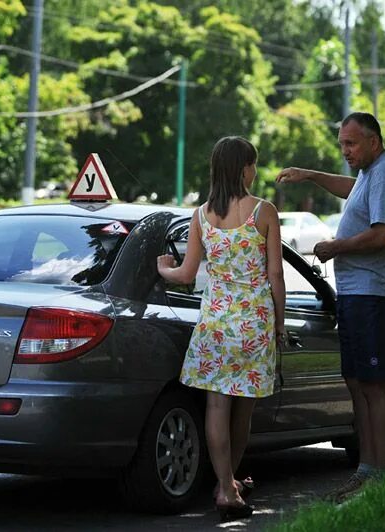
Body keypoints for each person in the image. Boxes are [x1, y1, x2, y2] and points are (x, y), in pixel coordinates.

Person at [276, 112, 385, 501]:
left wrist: (335, 247)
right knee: (357, 380)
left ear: (374, 141)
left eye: (351, 144)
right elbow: (351, 189)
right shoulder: (370, 174)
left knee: (375, 382)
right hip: (358, 293)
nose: (346, 152)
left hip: (378, 294)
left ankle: (380, 472)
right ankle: (366, 469)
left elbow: (384, 235)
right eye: (342, 144)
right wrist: (311, 174)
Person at [157, 136, 286, 521]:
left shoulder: (201, 216)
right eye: (253, 165)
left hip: (214, 324)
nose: (256, 171)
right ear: (243, 168)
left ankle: (226, 484)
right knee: (243, 409)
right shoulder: (264, 212)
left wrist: (163, 266)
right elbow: (276, 276)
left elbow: (184, 274)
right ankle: (226, 485)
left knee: (216, 404)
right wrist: (279, 325)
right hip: (253, 326)